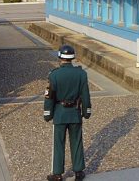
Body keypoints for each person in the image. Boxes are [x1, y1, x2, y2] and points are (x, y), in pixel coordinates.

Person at [44, 45, 92, 181]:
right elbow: (85, 95)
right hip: (75, 113)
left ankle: (57, 174)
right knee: (76, 142)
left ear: (60, 57)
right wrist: (86, 111)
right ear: (73, 58)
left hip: (60, 113)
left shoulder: (54, 75)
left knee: (59, 144)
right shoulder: (81, 74)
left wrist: (48, 113)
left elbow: (49, 97)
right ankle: (78, 172)